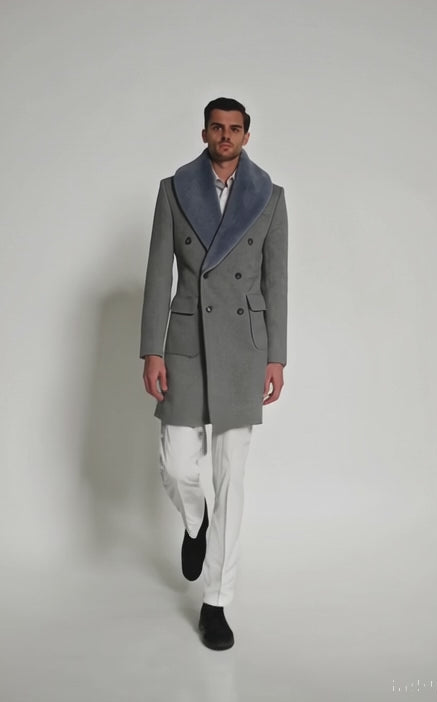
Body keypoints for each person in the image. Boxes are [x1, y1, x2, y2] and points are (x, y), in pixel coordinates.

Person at [140, 97, 288, 650]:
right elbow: (158, 275)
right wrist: (151, 350)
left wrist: (276, 357)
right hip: (185, 343)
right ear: (204, 132)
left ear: (247, 135)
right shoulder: (173, 191)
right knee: (178, 464)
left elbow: (277, 282)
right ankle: (195, 521)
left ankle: (216, 602)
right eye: (217, 127)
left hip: (244, 348)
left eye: (235, 129)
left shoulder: (270, 198)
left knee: (232, 478)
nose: (226, 136)